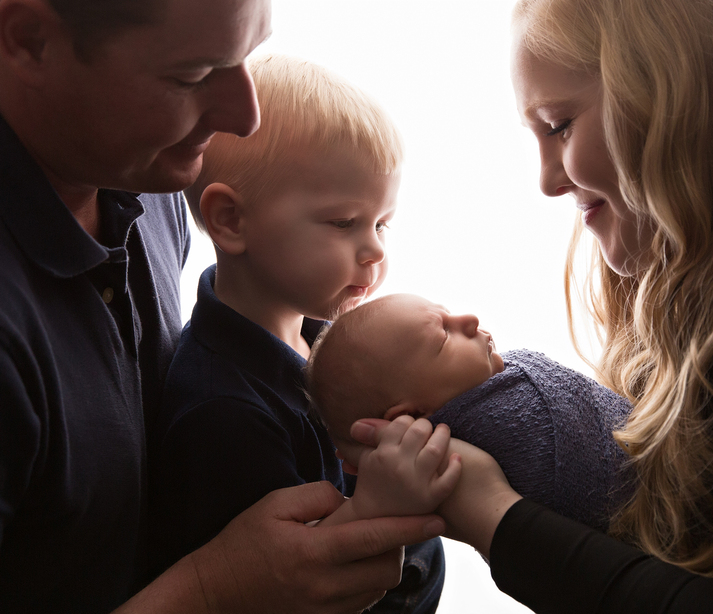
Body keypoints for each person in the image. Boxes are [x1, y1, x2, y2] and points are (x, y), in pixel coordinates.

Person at [0, 2, 446, 612]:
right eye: (191, 76)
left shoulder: (145, 174)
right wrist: (212, 589)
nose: (245, 115)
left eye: (247, 54)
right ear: (28, 39)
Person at [352, 0, 713, 610]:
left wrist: (490, 514)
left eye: (558, 125)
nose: (548, 180)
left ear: (669, 93)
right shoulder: (686, 297)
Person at [150, 53, 448, 614]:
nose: (377, 250)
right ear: (231, 221)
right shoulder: (225, 414)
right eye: (344, 223)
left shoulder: (316, 334)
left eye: (382, 223)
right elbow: (297, 583)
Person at [306, 292, 634, 532]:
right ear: (411, 418)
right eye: (444, 336)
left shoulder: (503, 381)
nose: (470, 320)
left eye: (447, 314)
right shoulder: (442, 461)